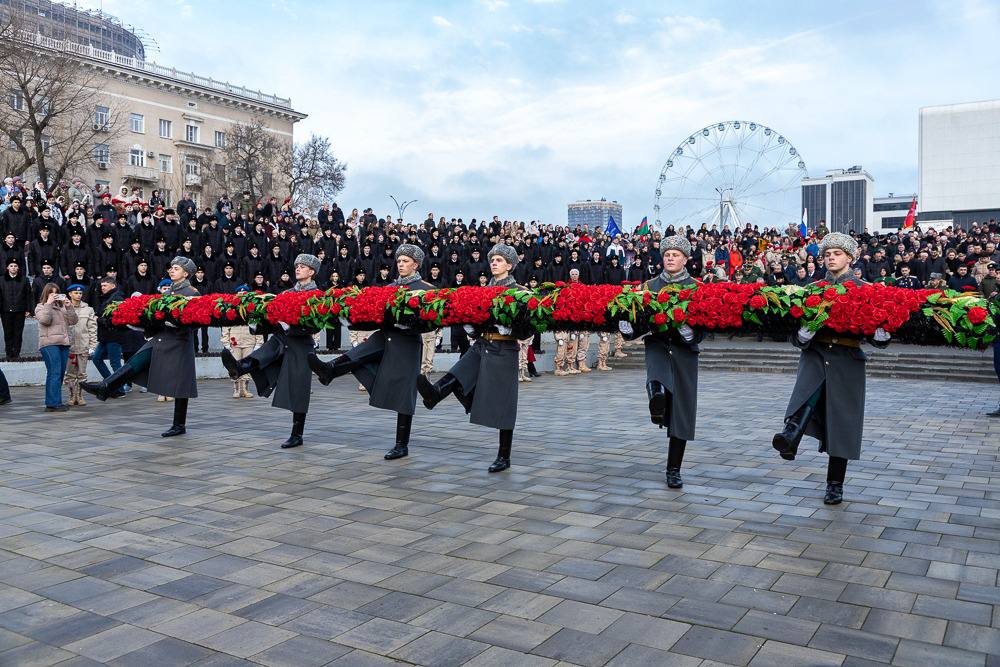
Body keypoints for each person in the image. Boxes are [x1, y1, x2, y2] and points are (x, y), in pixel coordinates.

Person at [772, 232, 891, 505]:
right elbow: (795, 332)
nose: (831, 258)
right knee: (807, 394)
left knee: (842, 424)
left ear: (849, 258)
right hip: (816, 353)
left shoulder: (865, 289)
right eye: (827, 254)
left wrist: (880, 332)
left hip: (847, 357)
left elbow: (876, 334)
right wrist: (803, 332)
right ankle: (790, 436)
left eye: (837, 254)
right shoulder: (812, 289)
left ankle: (834, 485)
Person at [307, 244, 434, 459]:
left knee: (405, 393)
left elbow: (432, 322)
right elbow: (374, 315)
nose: (400, 264)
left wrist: (411, 325)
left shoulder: (426, 288)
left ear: (416, 264)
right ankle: (330, 370)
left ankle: (401, 444)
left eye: (405, 261)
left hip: (407, 342)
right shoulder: (390, 287)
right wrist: (351, 320)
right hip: (385, 335)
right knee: (359, 353)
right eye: (399, 261)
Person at [418, 244, 532, 472]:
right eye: (492, 259)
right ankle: (435, 394)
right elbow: (474, 320)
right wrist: (471, 327)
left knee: (504, 404)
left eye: (499, 260)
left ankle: (504, 456)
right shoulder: (480, 291)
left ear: (509, 265)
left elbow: (529, 329)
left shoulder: (520, 292)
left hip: (504, 347)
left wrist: (512, 330)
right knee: (459, 372)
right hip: (482, 343)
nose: (494, 263)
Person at [82, 257, 201, 437]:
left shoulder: (192, 293)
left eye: (176, 268)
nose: (171, 270)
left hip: (179, 341)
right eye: (171, 268)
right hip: (161, 338)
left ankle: (179, 424)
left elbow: (197, 320)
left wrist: (177, 324)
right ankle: (106, 387)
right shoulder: (168, 293)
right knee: (137, 360)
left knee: (181, 383)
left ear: (186, 274)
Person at [619, 236, 701, 489]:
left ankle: (673, 469)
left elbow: (706, 321)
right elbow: (637, 322)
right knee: (656, 378)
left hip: (685, 350)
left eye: (675, 255)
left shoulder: (696, 287)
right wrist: (627, 328)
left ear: (685, 259)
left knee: (682, 412)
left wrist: (689, 332)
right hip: (658, 344)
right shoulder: (649, 285)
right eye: (667, 254)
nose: (670, 258)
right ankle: (657, 401)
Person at [221, 256, 321, 448]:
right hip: (283, 339)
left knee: (299, 390)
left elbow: (316, 325)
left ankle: (297, 434)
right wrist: (255, 324)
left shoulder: (317, 294)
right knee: (271, 346)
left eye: (302, 267)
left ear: (312, 272)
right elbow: (273, 318)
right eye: (296, 266)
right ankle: (240, 367)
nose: (298, 269)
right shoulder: (287, 293)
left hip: (301, 342)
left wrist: (290, 327)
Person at [35, 283, 78, 411]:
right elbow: (44, 320)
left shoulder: (62, 307)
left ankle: (54, 401)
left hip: (63, 343)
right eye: (51, 293)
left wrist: (69, 307)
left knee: (58, 373)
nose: (54, 295)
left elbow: (74, 321)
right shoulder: (40, 307)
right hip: (49, 344)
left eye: (56, 292)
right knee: (54, 372)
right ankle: (53, 403)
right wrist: (48, 303)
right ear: (46, 294)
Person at [65, 284, 97, 406]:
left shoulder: (88, 309)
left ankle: (80, 395)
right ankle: (72, 395)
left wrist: (92, 346)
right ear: (70, 294)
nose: (78, 295)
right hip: (70, 346)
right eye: (76, 293)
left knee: (82, 373)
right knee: (70, 373)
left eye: (80, 293)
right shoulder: (65, 308)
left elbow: (92, 329)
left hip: (83, 345)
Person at [1, 258, 31, 359]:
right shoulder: (1, 280)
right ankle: (9, 354)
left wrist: (28, 309)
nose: (13, 268)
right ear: (7, 267)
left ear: (18, 268)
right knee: (8, 333)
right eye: (11, 266)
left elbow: (28, 295)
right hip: (5, 311)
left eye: (15, 266)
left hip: (20, 310)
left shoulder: (24, 280)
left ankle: (17, 353)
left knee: (18, 333)